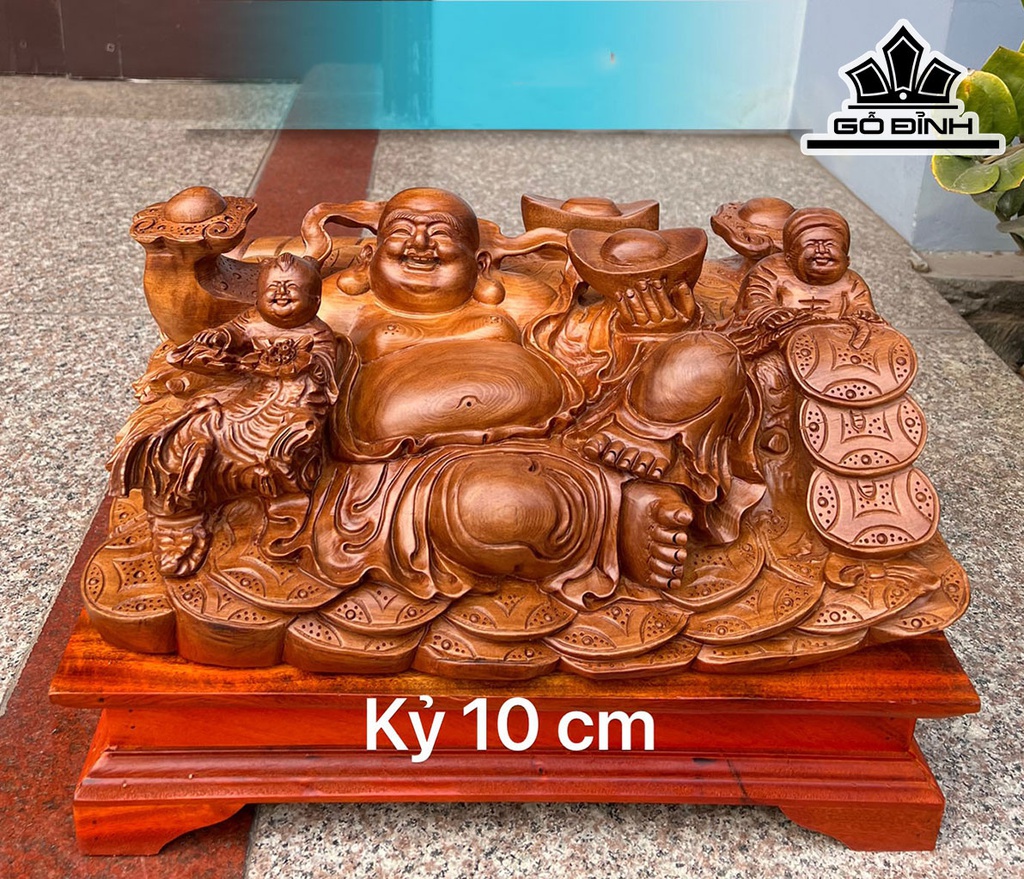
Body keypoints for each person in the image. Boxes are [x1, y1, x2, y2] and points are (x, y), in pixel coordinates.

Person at [280, 188, 762, 605]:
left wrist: (646, 332)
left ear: (480, 263)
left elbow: (586, 350)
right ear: (369, 255)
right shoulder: (336, 306)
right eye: (403, 231)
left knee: (707, 356)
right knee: (499, 508)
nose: (421, 244)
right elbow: (276, 331)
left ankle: (644, 457)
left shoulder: (524, 300)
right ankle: (622, 514)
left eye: (441, 233)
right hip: (423, 464)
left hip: (573, 440)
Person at [109, 252, 338, 576]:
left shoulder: (317, 334)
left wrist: (297, 367)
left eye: (292, 288)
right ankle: (179, 513)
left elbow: (321, 372)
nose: (281, 293)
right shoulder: (252, 320)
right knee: (191, 431)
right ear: (257, 296)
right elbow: (234, 333)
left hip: (288, 405)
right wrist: (220, 337)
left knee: (286, 445)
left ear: (315, 301)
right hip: (244, 395)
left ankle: (280, 502)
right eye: (272, 288)